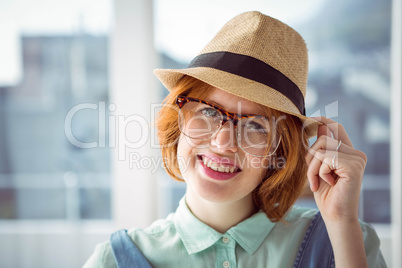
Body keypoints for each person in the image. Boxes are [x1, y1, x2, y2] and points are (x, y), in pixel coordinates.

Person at [84, 11, 387, 268]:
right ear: (178, 120)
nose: (223, 143)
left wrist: (342, 223)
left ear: (279, 149)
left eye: (255, 125)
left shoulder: (345, 241)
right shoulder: (114, 260)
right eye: (208, 112)